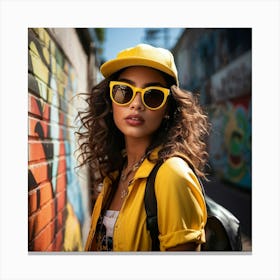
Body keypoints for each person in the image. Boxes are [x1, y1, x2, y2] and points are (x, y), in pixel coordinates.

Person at [76, 43, 209, 251]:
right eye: (124, 91)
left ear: (167, 109)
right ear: (111, 102)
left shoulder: (172, 175)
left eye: (153, 95)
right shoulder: (116, 172)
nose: (136, 104)